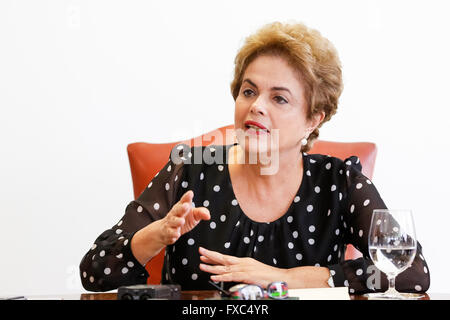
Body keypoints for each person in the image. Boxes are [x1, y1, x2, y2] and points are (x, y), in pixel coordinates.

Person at [80, 21, 430, 294]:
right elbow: (94, 272)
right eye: (249, 91)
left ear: (313, 119)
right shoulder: (189, 169)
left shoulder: (338, 183)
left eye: (279, 98)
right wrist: (157, 234)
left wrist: (287, 278)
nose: (256, 106)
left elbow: (412, 272)